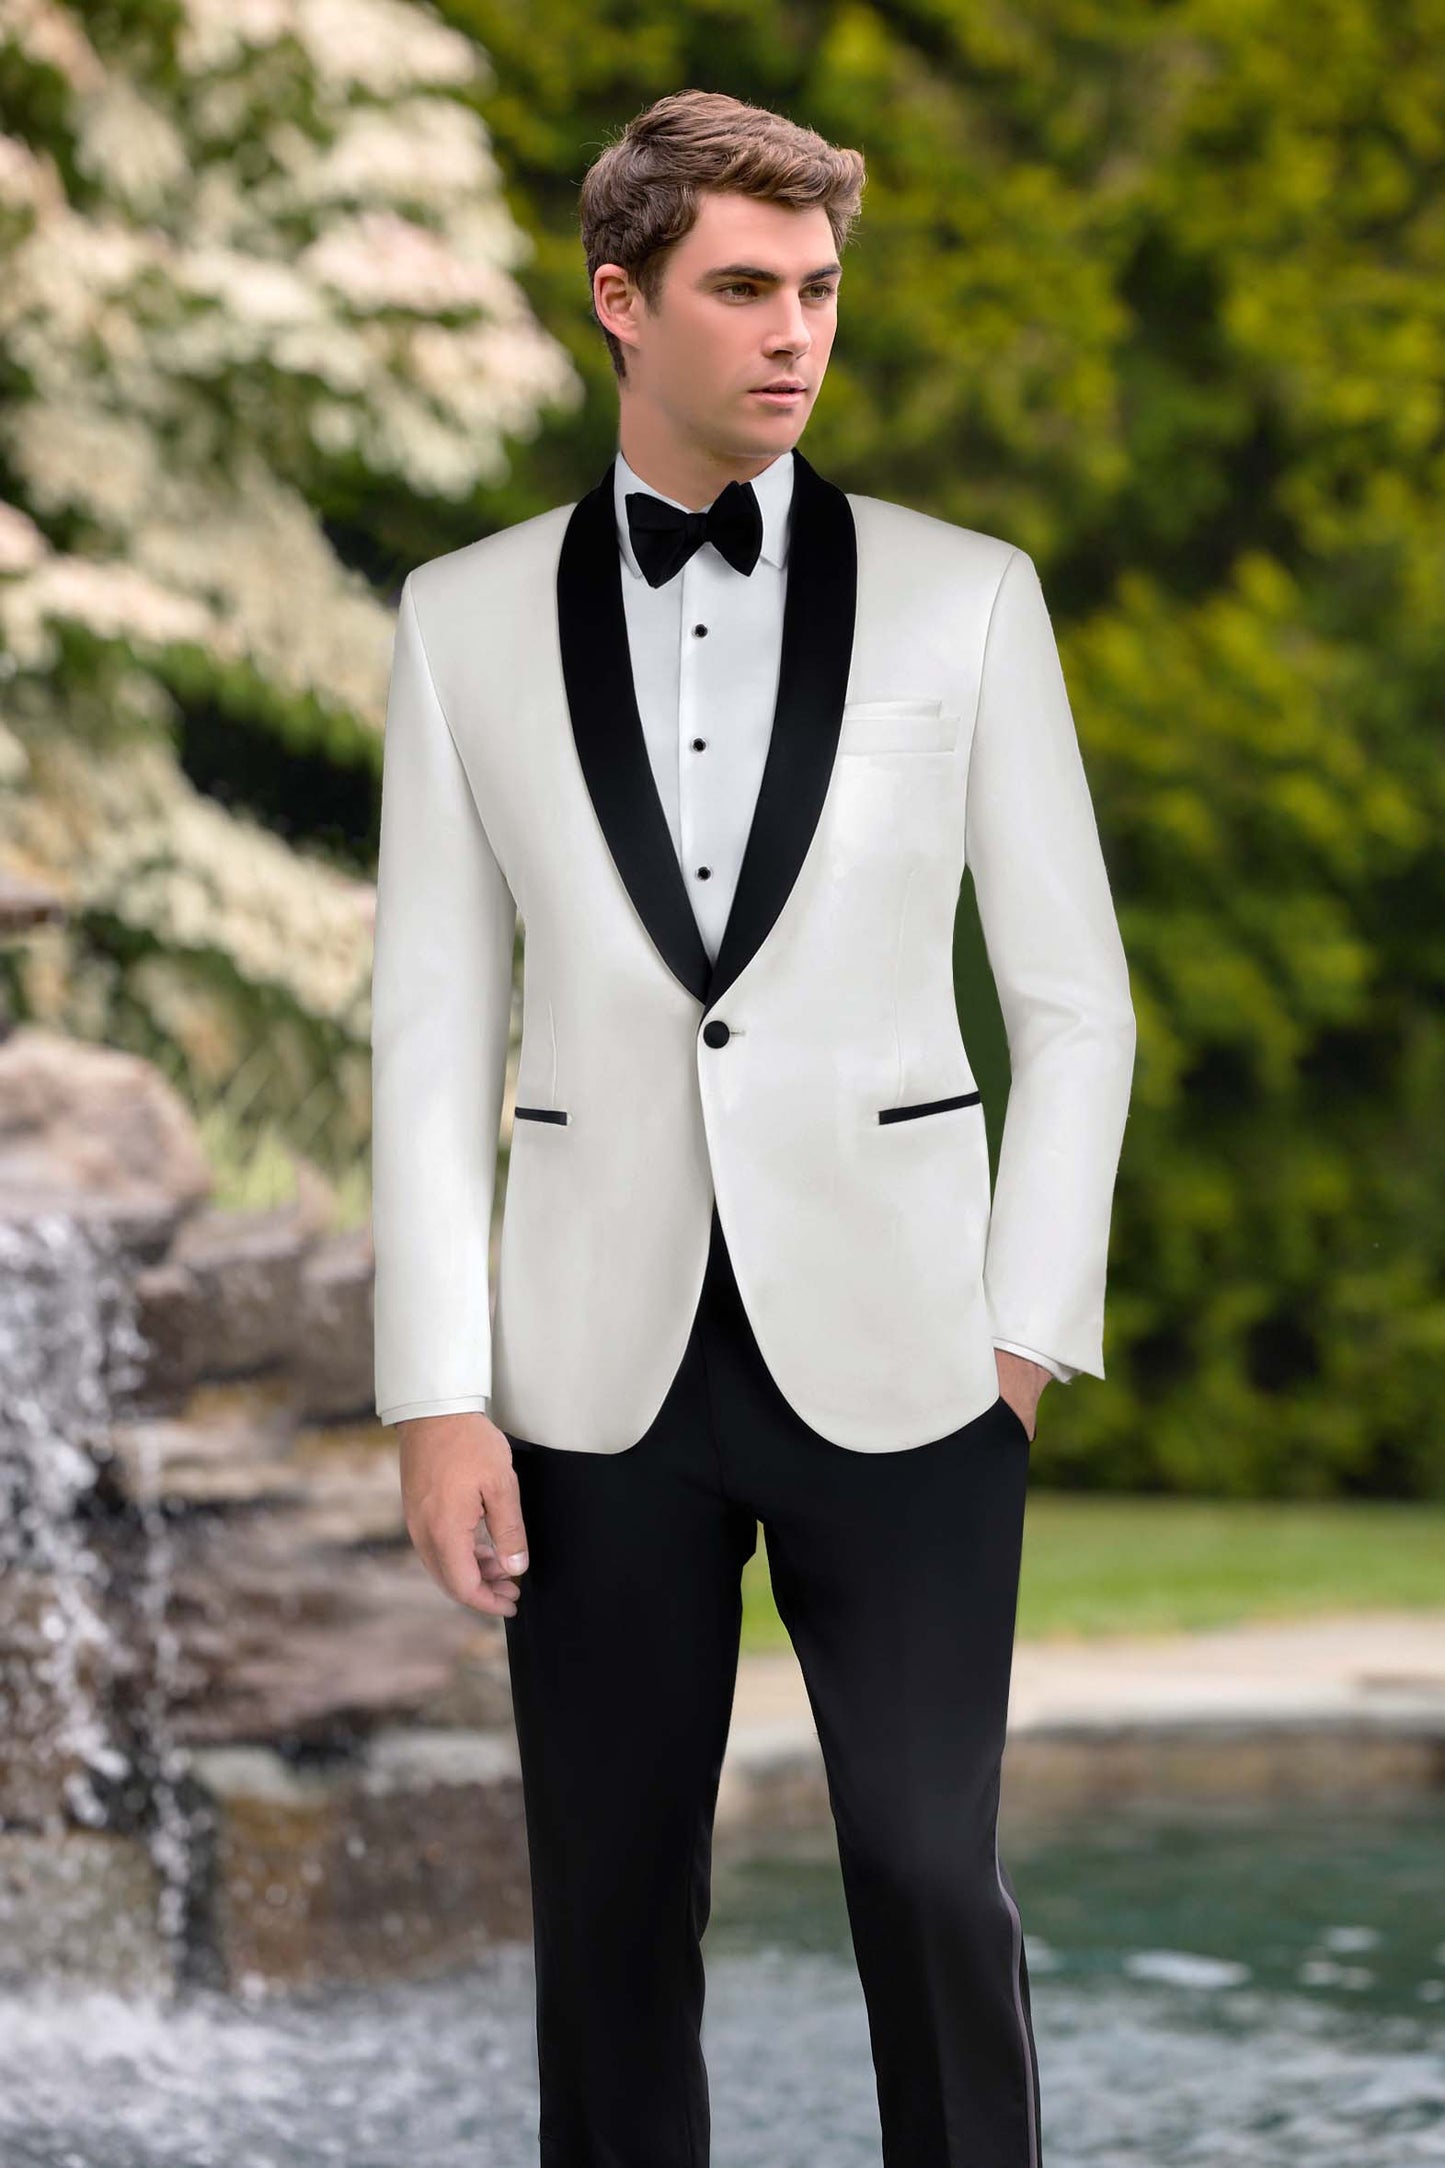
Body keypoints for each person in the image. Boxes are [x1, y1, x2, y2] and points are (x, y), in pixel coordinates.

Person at [370, 85, 1136, 2168]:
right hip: (588, 1363)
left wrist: (1018, 1337)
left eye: (816, 287)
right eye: (741, 287)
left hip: (912, 1348)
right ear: (620, 302)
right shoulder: (458, 620)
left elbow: (1075, 1003)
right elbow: (428, 1032)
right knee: (612, 1917)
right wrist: (437, 1395)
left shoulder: (969, 598)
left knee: (927, 1876)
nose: (794, 330)